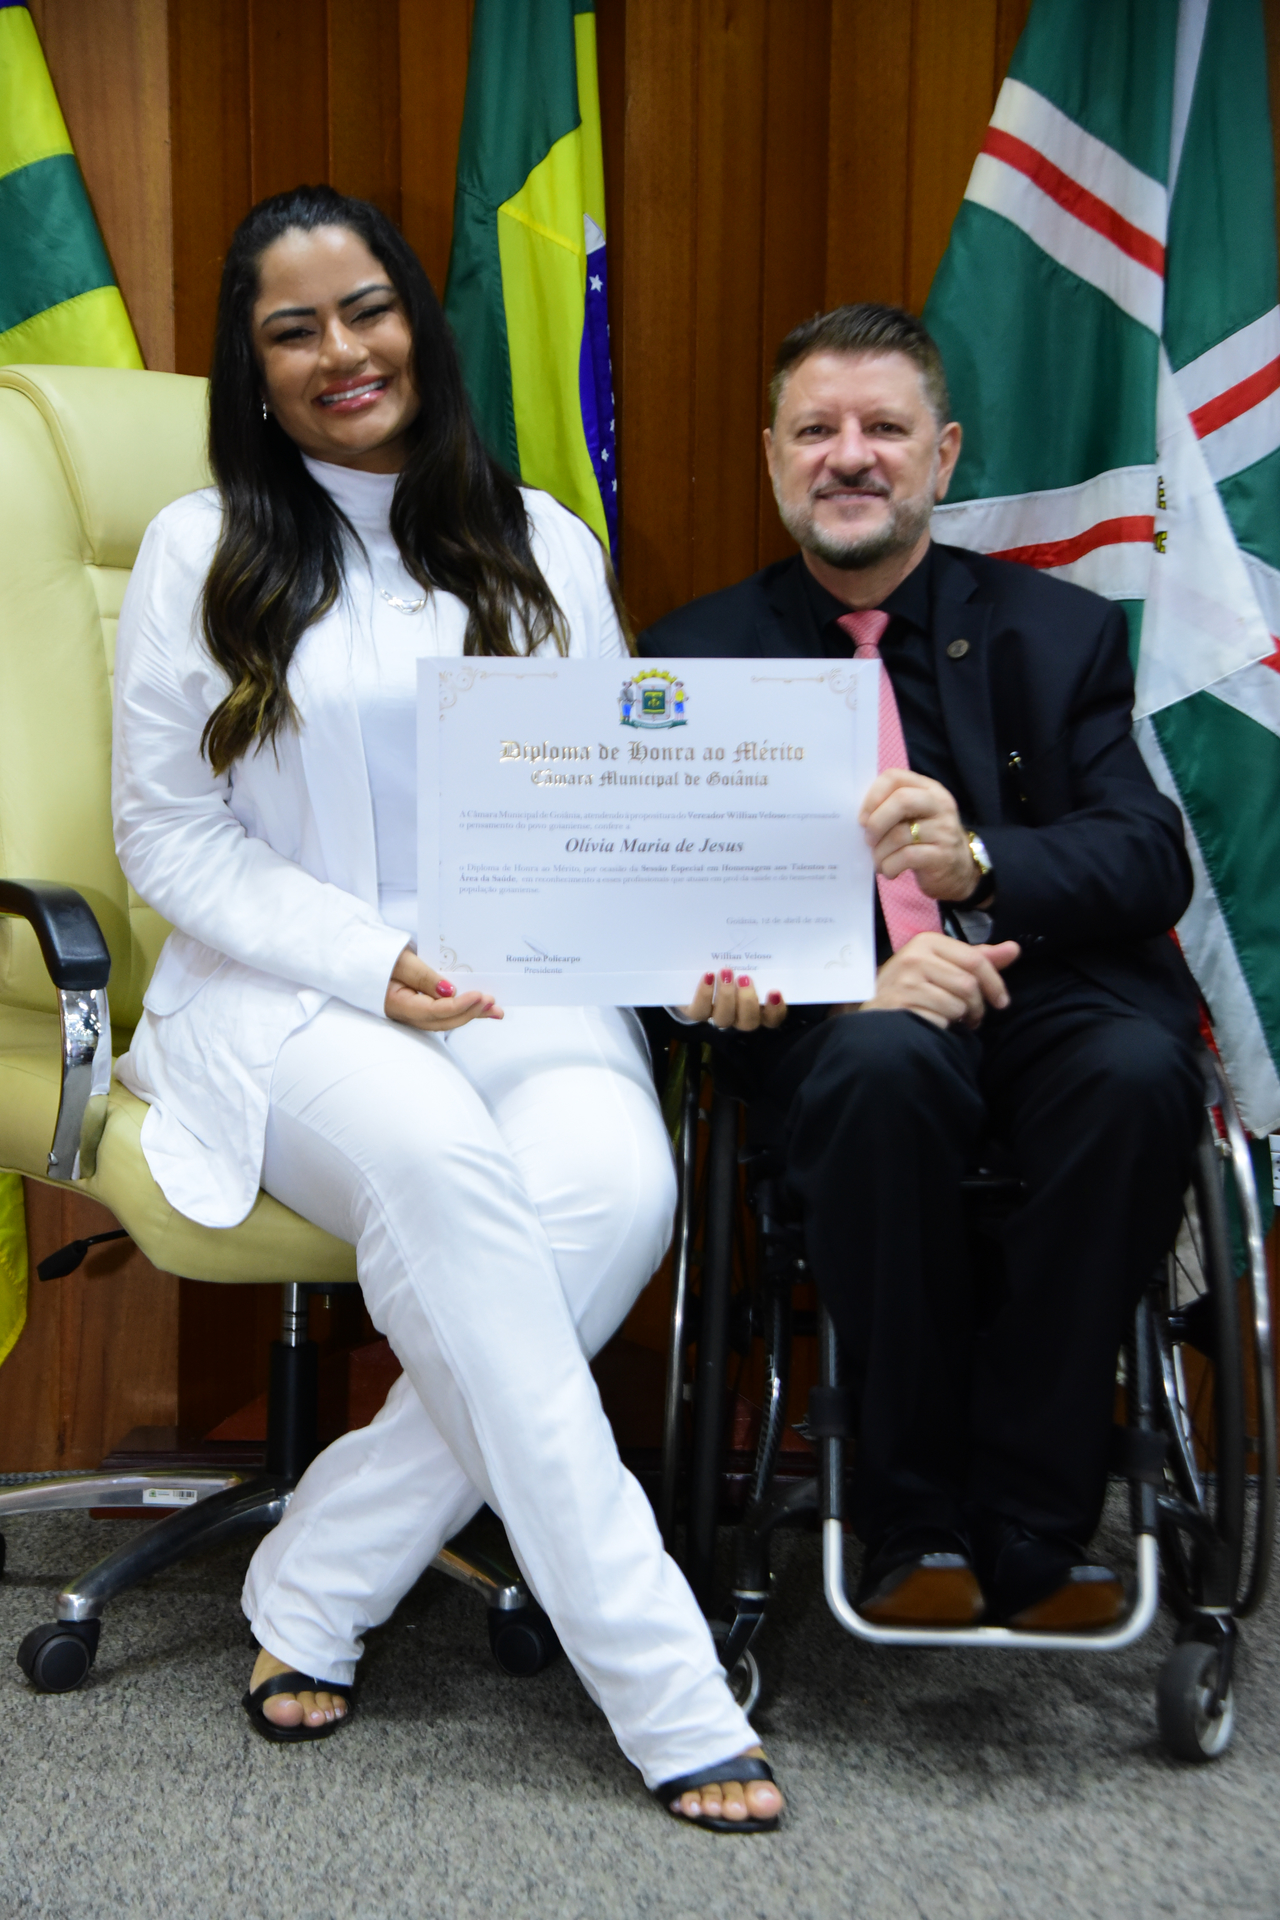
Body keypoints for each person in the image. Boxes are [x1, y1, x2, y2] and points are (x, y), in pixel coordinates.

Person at [111, 184, 782, 1832]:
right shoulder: (203, 547)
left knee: (617, 1188)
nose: (343, 351)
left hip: (518, 978)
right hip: (289, 995)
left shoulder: (544, 537)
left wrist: (695, 952)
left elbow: (611, 802)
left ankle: (321, 1573)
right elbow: (165, 835)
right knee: (443, 1166)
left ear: (418, 318)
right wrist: (362, 959)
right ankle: (667, 1684)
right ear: (252, 367)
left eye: (368, 310)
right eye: (294, 330)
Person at [646, 304, 1203, 1631]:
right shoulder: (692, 655)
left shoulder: (1057, 632)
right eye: (816, 430)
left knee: (1138, 1076)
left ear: (941, 456)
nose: (850, 456)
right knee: (884, 1065)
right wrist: (730, 984)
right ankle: (913, 1522)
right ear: (772, 458)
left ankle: (1034, 1521)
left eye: (884, 428)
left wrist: (978, 863)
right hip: (839, 1035)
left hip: (1049, 998)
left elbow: (1148, 856)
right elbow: (657, 905)